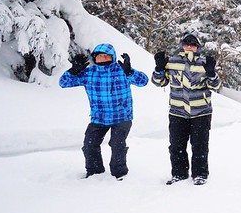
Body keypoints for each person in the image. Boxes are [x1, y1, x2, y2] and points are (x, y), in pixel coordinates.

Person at [59, 44, 148, 180]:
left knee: (117, 144)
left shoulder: (121, 70)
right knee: (89, 144)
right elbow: (63, 83)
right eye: (99, 56)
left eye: (106, 56)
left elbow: (143, 81)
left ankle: (119, 173)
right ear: (95, 58)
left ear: (112, 57)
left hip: (122, 115)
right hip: (99, 117)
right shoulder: (89, 73)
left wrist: (130, 71)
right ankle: (95, 173)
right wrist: (73, 70)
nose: (103, 59)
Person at [152, 33, 221, 186]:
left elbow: (215, 86)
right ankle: (179, 173)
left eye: (193, 44)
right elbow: (159, 82)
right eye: (186, 43)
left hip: (201, 112)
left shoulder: (204, 62)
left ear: (198, 47)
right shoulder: (173, 61)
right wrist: (159, 68)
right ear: (182, 45)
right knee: (176, 145)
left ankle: (200, 174)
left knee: (200, 145)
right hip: (178, 111)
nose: (189, 46)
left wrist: (211, 72)